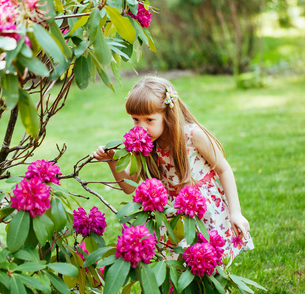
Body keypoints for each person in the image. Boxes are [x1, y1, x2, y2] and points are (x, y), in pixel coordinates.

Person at [91, 76, 253, 260]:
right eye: (136, 119)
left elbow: (224, 169)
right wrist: (112, 160)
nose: (141, 127)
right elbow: (129, 187)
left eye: (149, 120)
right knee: (178, 266)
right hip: (172, 215)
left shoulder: (194, 136)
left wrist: (236, 213)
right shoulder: (144, 145)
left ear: (167, 114)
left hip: (204, 210)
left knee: (209, 266)